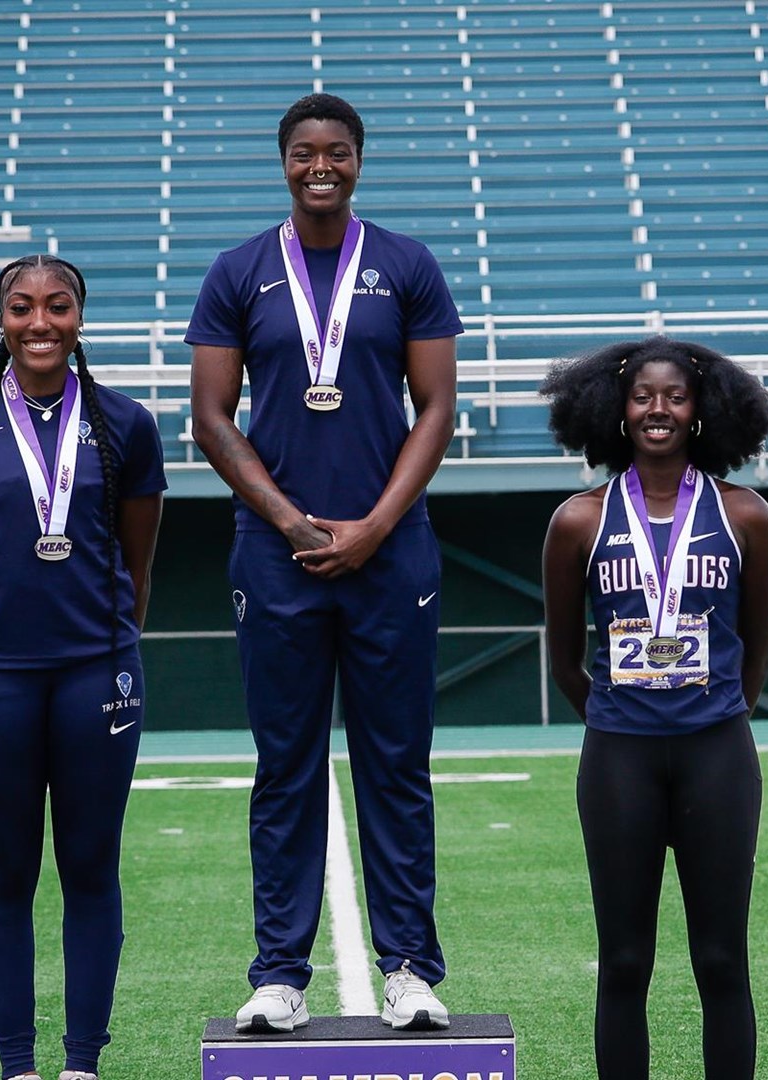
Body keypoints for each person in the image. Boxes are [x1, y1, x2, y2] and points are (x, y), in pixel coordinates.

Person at [185, 92, 464, 1034]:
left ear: (358, 160)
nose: (321, 166)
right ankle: (279, 975)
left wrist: (377, 525)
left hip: (392, 552)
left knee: (397, 764)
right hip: (276, 556)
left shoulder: (406, 264)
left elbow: (435, 409)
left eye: (337, 152)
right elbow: (213, 420)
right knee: (286, 767)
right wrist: (294, 524)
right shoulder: (237, 271)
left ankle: (412, 972)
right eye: (305, 152)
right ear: (283, 161)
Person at [0, 255, 166, 1080]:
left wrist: (107, 647)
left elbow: (138, 564)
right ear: (1, 320)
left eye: (58, 307)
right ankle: (16, 1064)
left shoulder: (125, 424)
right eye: (22, 309)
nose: (40, 323)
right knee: (7, 869)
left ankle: (82, 1063)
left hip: (98, 673)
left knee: (91, 867)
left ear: (80, 318)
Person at [539, 336, 768, 1079]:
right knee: (623, 963)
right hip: (620, 757)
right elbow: (564, 661)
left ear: (701, 410)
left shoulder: (747, 517)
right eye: (644, 395)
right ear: (617, 409)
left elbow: (758, 648)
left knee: (719, 960)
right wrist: (620, 717)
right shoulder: (579, 521)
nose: (658, 410)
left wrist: (711, 712)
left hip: (718, 753)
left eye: (675, 396)